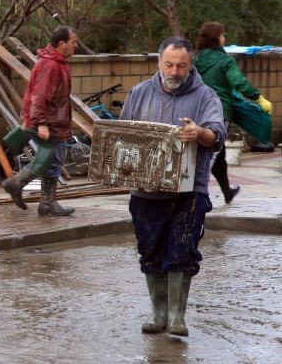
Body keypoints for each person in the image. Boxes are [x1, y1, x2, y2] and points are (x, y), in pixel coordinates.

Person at [119, 36, 225, 337]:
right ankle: (158, 314)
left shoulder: (206, 96)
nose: (175, 71)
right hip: (145, 190)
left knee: (182, 251)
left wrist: (200, 132)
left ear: (190, 65)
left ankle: (177, 317)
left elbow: (217, 134)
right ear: (158, 62)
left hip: (190, 191)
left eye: (181, 66)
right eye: (169, 64)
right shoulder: (139, 93)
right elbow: (123, 136)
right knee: (150, 251)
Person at [0, 25, 78, 216]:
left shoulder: (56, 62)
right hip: (44, 122)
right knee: (50, 159)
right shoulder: (50, 65)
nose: (76, 46)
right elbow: (39, 96)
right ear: (62, 44)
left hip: (48, 121)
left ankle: (46, 203)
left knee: (51, 160)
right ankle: (16, 184)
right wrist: (41, 123)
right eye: (73, 42)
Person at [194, 21, 273, 203]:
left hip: (196, 112)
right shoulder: (225, 61)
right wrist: (258, 97)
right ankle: (198, 197)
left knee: (216, 154)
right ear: (216, 38)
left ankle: (227, 192)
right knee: (211, 156)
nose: (225, 37)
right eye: (222, 34)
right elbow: (238, 82)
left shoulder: (195, 59)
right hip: (218, 113)